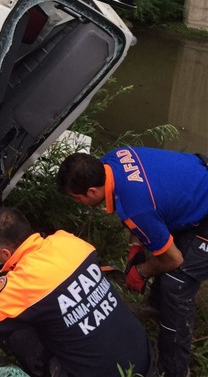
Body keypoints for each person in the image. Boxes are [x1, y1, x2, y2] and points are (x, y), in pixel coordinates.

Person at [57, 146, 208, 377]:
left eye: (78, 199)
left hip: (203, 207)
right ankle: (157, 308)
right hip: (195, 188)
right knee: (163, 245)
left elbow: (173, 259)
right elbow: (139, 202)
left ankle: (175, 369)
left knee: (176, 282)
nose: (79, 204)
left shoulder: (137, 207)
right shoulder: (111, 161)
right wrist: (136, 247)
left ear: (91, 192)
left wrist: (141, 271)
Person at [0, 207, 151, 377]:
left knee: (16, 331)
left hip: (101, 372)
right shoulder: (69, 242)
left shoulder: (23, 284)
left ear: (5, 254)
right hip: (143, 357)